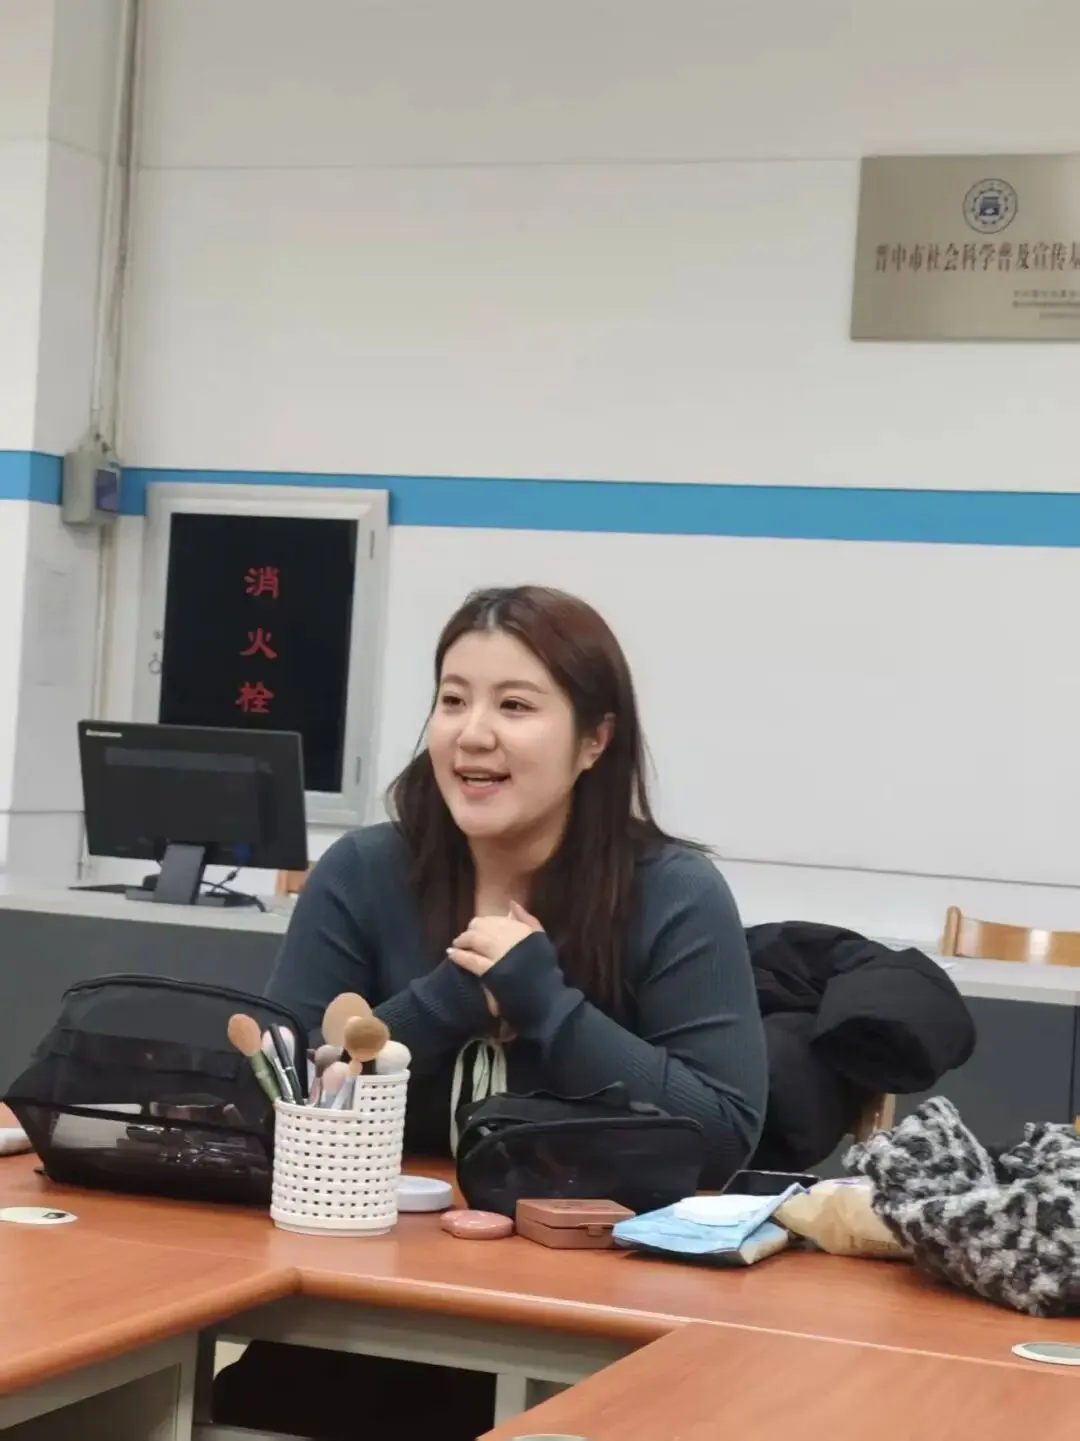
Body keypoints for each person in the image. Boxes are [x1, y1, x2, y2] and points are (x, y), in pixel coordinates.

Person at [213, 584, 767, 1441]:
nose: (473, 734)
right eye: (453, 700)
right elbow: (274, 1102)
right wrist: (447, 1000)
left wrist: (550, 1005)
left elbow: (723, 1133)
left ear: (595, 739)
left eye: (515, 705)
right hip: (365, 1310)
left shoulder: (675, 893)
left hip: (604, 1322)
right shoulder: (363, 873)